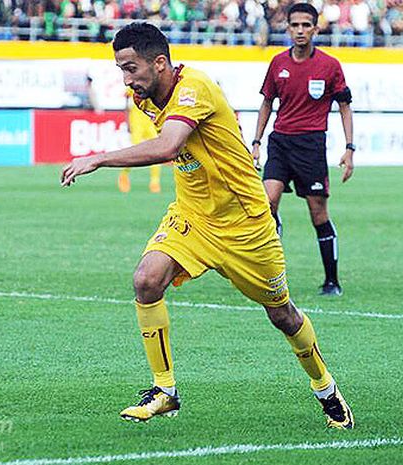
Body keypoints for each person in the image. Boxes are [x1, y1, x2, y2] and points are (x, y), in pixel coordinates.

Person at [61, 22, 353, 429]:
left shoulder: (194, 87)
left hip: (245, 224)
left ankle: (325, 389)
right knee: (146, 280)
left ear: (160, 63)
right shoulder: (146, 97)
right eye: (121, 70)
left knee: (282, 315)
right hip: (194, 216)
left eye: (131, 68)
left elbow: (168, 146)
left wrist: (98, 158)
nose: (127, 80)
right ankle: (165, 391)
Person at [251, 3, 355, 297]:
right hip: (280, 142)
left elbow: (345, 106)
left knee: (318, 214)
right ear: (287, 28)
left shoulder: (329, 66)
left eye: (306, 25)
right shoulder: (277, 64)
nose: (300, 31)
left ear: (315, 29)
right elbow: (266, 103)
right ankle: (271, 274)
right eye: (295, 25)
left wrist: (349, 148)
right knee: (267, 203)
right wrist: (257, 143)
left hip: (311, 146)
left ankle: (331, 280)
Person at [117, 87, 162, 194]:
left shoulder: (154, 83)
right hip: (136, 120)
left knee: (157, 151)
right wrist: (127, 121)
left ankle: (155, 182)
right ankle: (124, 175)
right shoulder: (133, 85)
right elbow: (127, 105)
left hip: (150, 121)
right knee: (134, 151)